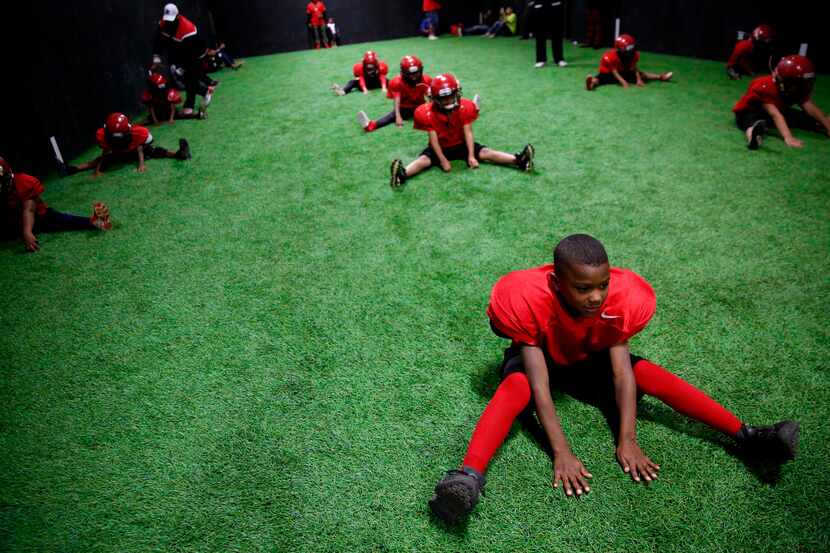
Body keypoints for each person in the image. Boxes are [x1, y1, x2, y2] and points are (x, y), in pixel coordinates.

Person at [428, 234, 801, 524]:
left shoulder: (621, 300)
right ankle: (468, 477)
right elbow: (541, 386)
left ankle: (749, 437)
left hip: (587, 361)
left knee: (645, 372)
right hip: (539, 360)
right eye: (583, 288)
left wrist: (628, 440)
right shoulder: (528, 299)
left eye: (602, 285)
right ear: (557, 283)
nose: (596, 296)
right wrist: (562, 451)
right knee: (517, 385)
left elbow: (622, 374)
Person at [389, 73, 534, 188]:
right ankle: (402, 175)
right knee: (424, 160)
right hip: (440, 146)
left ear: (456, 93)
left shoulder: (465, 106)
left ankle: (519, 160)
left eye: (450, 96)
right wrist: (443, 160)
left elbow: (468, 132)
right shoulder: (426, 112)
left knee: (485, 152)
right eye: (443, 98)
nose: (448, 101)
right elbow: (433, 140)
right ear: (433, 98)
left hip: (461, 144)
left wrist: (471, 155)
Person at [1, 157, 111, 252]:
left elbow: (29, 210)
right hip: (12, 220)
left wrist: (27, 232)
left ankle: (97, 222)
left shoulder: (23, 182)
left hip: (40, 217)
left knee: (63, 219)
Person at [732, 55, 829, 150]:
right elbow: (775, 114)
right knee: (751, 123)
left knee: (803, 118)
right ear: (784, 82)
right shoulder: (765, 86)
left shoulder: (793, 87)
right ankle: (754, 137)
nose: (805, 86)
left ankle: (822, 123)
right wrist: (788, 137)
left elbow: (809, 107)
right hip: (750, 111)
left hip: (777, 110)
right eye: (802, 83)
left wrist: (827, 125)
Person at [61, 113, 191, 177]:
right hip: (118, 153)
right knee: (97, 161)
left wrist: (141, 165)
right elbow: (105, 152)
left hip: (134, 151)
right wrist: (97, 171)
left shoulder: (138, 133)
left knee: (155, 150)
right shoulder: (104, 137)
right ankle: (73, 169)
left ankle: (178, 154)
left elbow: (140, 148)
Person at [152, 3, 215, 115]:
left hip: (196, 54)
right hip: (179, 50)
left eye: (171, 20)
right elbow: (158, 40)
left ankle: (192, 102)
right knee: (185, 79)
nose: (168, 22)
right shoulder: (163, 24)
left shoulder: (188, 30)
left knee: (189, 78)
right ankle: (205, 92)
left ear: (177, 16)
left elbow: (191, 55)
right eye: (167, 20)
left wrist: (182, 68)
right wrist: (156, 56)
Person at [357, 55, 431, 133]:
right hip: (404, 108)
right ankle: (371, 125)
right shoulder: (397, 82)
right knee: (391, 116)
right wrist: (398, 116)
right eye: (410, 74)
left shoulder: (426, 79)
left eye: (416, 73)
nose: (414, 77)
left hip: (420, 106)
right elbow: (397, 101)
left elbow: (431, 99)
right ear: (403, 72)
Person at [585, 34, 673, 90]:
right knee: (600, 79)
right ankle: (591, 84)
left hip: (623, 71)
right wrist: (623, 82)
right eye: (628, 48)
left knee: (642, 74)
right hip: (609, 74)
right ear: (619, 49)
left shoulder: (634, 54)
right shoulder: (609, 56)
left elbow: (634, 67)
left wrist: (638, 79)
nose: (631, 50)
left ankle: (661, 77)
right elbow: (614, 72)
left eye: (631, 47)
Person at [141, 73, 206, 124]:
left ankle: (199, 114)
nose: (161, 88)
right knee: (146, 121)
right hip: (158, 114)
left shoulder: (168, 92)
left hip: (169, 112)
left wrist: (171, 118)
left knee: (182, 115)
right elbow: (151, 109)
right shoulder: (150, 95)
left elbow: (172, 107)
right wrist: (155, 120)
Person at [530, 1, 566, 68]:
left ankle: (559, 59)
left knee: (557, 35)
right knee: (540, 35)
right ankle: (540, 60)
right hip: (540, 7)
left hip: (555, 6)